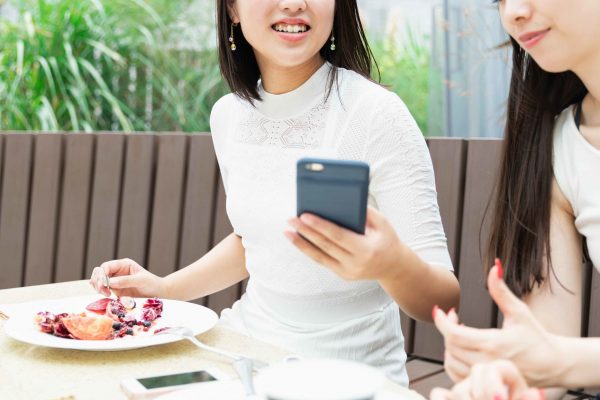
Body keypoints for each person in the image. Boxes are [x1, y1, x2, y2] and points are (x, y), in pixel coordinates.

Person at [90, 0, 460, 385]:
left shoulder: (375, 115)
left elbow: (444, 297)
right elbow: (256, 240)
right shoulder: (229, 116)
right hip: (245, 353)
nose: (293, 4)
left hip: (348, 375)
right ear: (232, 9)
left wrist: (391, 264)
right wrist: (165, 289)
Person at [431, 0, 600, 394]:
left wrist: (561, 362)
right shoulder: (561, 145)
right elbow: (543, 349)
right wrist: (499, 380)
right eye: (500, 0)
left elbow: (555, 359)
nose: (513, 13)